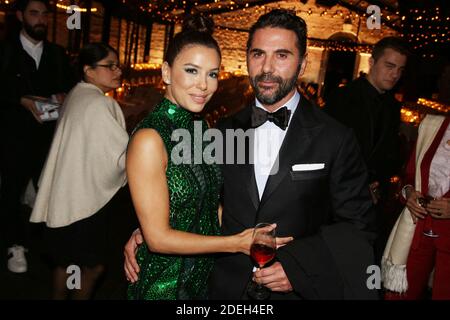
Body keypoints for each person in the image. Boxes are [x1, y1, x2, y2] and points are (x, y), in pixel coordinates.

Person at [125, 9, 377, 300]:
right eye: (258, 54)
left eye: (281, 55)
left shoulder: (336, 138)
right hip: (219, 288)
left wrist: (300, 268)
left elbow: (359, 227)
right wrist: (147, 229)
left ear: (303, 63)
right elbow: (200, 196)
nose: (267, 68)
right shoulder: (220, 131)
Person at [125, 15, 291, 300]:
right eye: (192, 71)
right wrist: (235, 244)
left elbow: (207, 203)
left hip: (202, 283)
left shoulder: (200, 129)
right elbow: (158, 238)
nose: (204, 85)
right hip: (163, 287)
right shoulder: (149, 139)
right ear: (166, 72)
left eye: (212, 74)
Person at [29, 43, 129, 299]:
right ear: (89, 70)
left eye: (118, 65)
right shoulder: (98, 104)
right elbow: (121, 155)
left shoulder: (78, 93)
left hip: (67, 196)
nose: (118, 70)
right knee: (93, 268)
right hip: (85, 203)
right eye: (110, 65)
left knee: (66, 263)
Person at [0, 0, 75, 273]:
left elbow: (70, 87)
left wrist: (64, 96)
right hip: (12, 136)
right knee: (10, 192)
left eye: (45, 13)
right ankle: (15, 245)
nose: (41, 19)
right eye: (34, 13)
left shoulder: (57, 53)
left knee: (49, 190)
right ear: (20, 16)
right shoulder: (5, 51)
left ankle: (48, 247)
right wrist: (21, 100)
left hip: (48, 137)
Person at [325, 37, 409, 263]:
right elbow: (326, 151)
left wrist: (377, 183)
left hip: (371, 203)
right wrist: (360, 184)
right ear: (371, 63)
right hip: (335, 201)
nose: (395, 75)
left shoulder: (393, 107)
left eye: (400, 69)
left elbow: (387, 154)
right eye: (389, 66)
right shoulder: (342, 98)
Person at [383, 115, 450, 300]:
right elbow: (409, 175)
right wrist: (410, 193)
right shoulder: (432, 125)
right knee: (400, 294)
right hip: (418, 224)